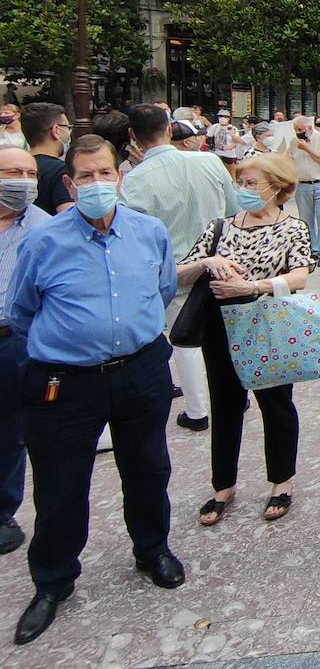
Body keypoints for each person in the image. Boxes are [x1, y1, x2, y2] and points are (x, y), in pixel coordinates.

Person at [6, 136, 182, 645]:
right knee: (61, 484)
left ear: (120, 175)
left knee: (149, 465)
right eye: (86, 176)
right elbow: (21, 312)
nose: (98, 184)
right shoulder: (44, 241)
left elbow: (163, 288)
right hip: (67, 380)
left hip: (141, 370)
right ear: (69, 183)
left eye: (105, 173)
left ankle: (152, 549)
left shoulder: (148, 233)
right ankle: (53, 580)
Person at [177, 153, 313, 528]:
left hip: (264, 322)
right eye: (242, 183)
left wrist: (254, 285)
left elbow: (301, 275)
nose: (245, 190)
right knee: (224, 404)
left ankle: (281, 481)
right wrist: (208, 263)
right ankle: (223, 485)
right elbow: (179, 272)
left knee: (276, 403)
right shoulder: (220, 227)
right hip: (220, 325)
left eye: (252, 183)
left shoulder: (292, 228)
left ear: (276, 187)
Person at [119, 103, 239, 433]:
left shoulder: (133, 181)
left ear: (133, 136)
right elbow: (234, 210)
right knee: (226, 331)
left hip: (175, 269)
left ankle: (199, 410)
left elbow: (133, 236)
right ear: (170, 130)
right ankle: (234, 393)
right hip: (222, 264)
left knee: (184, 338)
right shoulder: (209, 163)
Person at [0, 148, 49, 559]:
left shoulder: (43, 228)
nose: (24, 180)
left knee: (9, 429)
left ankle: (3, 510)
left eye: (29, 172)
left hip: (11, 338)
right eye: (13, 172)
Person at [289, 115, 320, 266]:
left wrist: (307, 148)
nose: (298, 132)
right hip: (303, 183)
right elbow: (289, 159)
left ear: (310, 128)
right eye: (296, 130)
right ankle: (312, 249)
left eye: (300, 129)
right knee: (306, 220)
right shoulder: (294, 141)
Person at [19, 103, 73, 216]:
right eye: (67, 128)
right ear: (56, 130)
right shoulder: (61, 170)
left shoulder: (14, 168)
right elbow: (68, 216)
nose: (69, 133)